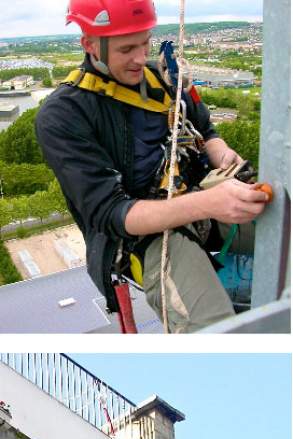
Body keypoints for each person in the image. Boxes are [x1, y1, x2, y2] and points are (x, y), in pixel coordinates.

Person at [35, 0, 270, 334]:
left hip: (201, 201)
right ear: (89, 45)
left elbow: (206, 131)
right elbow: (113, 215)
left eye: (144, 42)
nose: (139, 57)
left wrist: (220, 152)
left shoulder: (163, 78)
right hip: (144, 239)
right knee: (212, 327)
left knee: (280, 224)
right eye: (126, 48)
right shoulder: (64, 115)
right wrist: (211, 203)